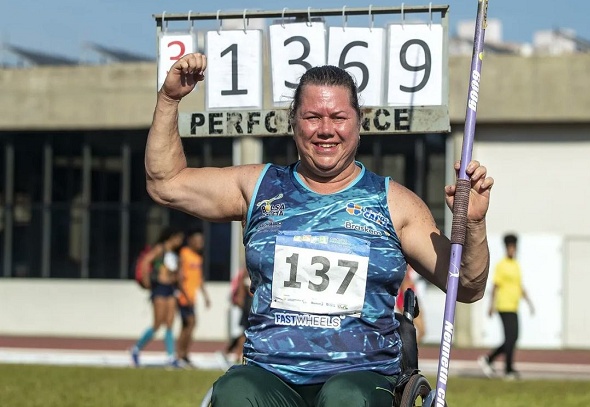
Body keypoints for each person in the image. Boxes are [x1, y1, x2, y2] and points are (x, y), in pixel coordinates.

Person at [145, 52, 493, 407]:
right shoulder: (258, 187)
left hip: (362, 378)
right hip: (270, 376)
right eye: (312, 117)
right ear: (293, 122)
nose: (326, 129)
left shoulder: (395, 203)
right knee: (235, 392)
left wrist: (475, 223)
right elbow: (166, 183)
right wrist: (169, 99)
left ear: (359, 123)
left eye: (339, 117)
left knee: (345, 398)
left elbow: (466, 286)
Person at [478, 233, 534, 380]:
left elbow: (519, 286)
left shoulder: (516, 265)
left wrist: (529, 303)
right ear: (506, 248)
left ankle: (489, 359)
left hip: (514, 306)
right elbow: (495, 286)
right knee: (510, 338)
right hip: (503, 305)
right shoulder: (501, 265)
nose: (512, 250)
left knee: (513, 338)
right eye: (509, 247)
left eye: (514, 248)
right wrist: (491, 306)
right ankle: (508, 369)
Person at [130, 226, 184, 368]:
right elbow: (146, 261)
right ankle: (136, 349)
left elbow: (175, 271)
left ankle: (171, 356)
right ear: (171, 237)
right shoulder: (161, 249)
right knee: (157, 323)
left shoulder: (175, 253)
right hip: (159, 288)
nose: (179, 241)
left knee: (170, 323)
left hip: (171, 289)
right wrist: (146, 282)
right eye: (178, 238)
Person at [176, 228, 211, 368]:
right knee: (190, 323)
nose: (200, 243)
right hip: (184, 297)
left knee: (189, 325)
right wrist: (184, 294)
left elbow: (199, 279)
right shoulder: (184, 254)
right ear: (191, 241)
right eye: (197, 240)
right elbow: (179, 277)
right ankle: (181, 354)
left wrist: (205, 296)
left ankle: (183, 354)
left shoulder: (198, 257)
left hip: (192, 297)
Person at [226, 265, 253, 364]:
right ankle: (237, 353)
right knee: (246, 329)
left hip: (250, 301)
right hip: (249, 302)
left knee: (245, 330)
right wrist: (241, 298)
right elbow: (244, 283)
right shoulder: (247, 269)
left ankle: (237, 352)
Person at [395, 265, 426, 343]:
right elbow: (405, 284)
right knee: (417, 330)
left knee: (422, 331)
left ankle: (409, 350)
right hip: (407, 301)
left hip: (415, 299)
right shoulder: (407, 267)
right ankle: (407, 350)